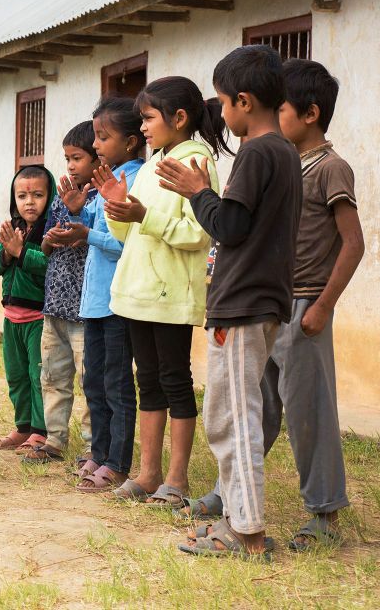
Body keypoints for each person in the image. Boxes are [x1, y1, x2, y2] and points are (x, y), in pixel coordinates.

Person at [180, 59, 363, 553]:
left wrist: (323, 304)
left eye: (284, 107)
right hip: (273, 299)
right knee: (250, 410)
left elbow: (350, 242)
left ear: (309, 113)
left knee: (303, 412)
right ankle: (233, 502)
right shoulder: (284, 156)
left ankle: (310, 512)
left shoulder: (312, 163)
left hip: (292, 302)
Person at [158, 45, 301, 559]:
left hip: (243, 303)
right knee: (227, 414)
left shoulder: (259, 153)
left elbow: (229, 227)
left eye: (221, 103)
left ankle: (246, 533)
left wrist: (199, 191)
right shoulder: (282, 151)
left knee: (235, 418)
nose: (219, 114)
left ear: (243, 100)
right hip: (254, 301)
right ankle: (236, 523)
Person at [98, 78, 230, 505]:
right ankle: (148, 473)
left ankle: (177, 479)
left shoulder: (195, 162)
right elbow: (128, 233)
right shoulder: (156, 160)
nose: (144, 126)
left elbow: (199, 233)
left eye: (150, 118)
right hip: (137, 290)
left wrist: (143, 214)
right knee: (148, 382)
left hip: (170, 295)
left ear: (179, 118)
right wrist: (117, 206)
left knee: (175, 381)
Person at [70, 97, 145, 493]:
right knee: (94, 381)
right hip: (96, 299)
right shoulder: (105, 181)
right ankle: (98, 453)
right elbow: (100, 234)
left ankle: (117, 462)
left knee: (116, 383)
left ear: (132, 142)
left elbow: (127, 242)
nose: (96, 145)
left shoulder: (132, 179)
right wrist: (80, 215)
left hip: (117, 300)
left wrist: (88, 233)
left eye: (104, 137)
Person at [26, 121, 98, 463]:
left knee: (88, 379)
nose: (70, 165)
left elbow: (94, 240)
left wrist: (76, 213)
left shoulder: (100, 198)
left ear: (98, 159)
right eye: (67, 158)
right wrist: (49, 240)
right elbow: (46, 246)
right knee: (52, 374)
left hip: (85, 307)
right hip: (54, 303)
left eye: (78, 157)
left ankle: (91, 445)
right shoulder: (59, 197)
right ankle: (54, 439)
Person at [0, 165, 55, 453]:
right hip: (11, 317)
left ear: (50, 196)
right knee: (16, 376)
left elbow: (48, 265)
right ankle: (23, 427)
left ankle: (41, 432)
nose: (29, 202)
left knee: (37, 376)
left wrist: (21, 252)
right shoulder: (14, 228)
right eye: (22, 195)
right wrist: (6, 251)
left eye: (38, 195)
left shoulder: (51, 230)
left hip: (38, 319)